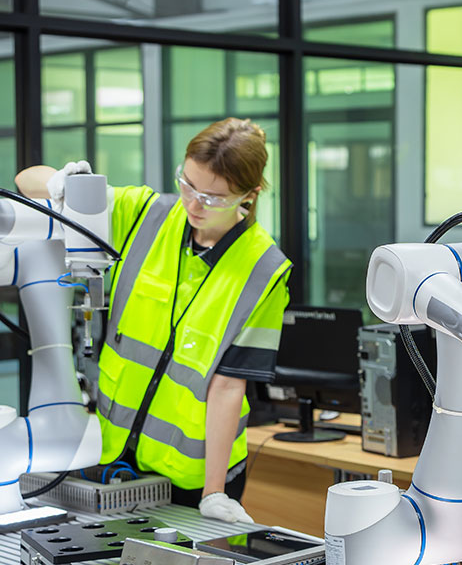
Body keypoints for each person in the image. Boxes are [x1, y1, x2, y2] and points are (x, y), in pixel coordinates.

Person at [16, 117, 290, 525]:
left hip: (193, 474)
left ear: (248, 196)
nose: (194, 204)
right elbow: (25, 181)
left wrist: (214, 492)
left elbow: (229, 386)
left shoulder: (264, 269)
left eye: (213, 198)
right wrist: (61, 182)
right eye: (188, 184)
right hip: (113, 452)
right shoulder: (145, 213)